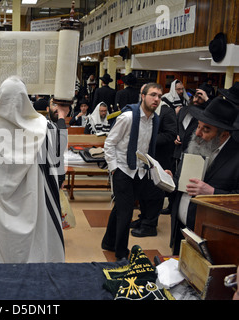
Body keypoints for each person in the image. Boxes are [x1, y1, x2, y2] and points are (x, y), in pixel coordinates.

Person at [0, 76, 67, 263]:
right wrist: (62, 117)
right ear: (26, 100)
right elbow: (59, 146)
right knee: (36, 247)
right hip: (32, 201)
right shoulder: (42, 127)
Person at [166, 97, 239, 255]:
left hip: (211, 239)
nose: (197, 133)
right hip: (181, 230)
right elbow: (182, 185)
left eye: (206, 129)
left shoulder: (236, 158)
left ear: (224, 134)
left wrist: (213, 193)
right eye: (198, 126)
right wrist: (169, 180)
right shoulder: (195, 145)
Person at [101, 83, 162, 260]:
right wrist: (113, 169)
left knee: (120, 208)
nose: (156, 99)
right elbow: (109, 143)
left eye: (159, 96)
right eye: (152, 95)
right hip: (122, 169)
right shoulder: (127, 117)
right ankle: (121, 253)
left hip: (139, 171)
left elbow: (145, 148)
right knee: (126, 212)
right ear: (142, 96)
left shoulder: (154, 120)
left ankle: (108, 242)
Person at [130, 96, 177, 237]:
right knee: (144, 191)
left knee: (155, 194)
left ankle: (150, 225)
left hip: (160, 160)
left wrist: (148, 139)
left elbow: (171, 134)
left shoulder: (166, 112)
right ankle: (143, 218)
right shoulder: (144, 112)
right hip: (146, 160)